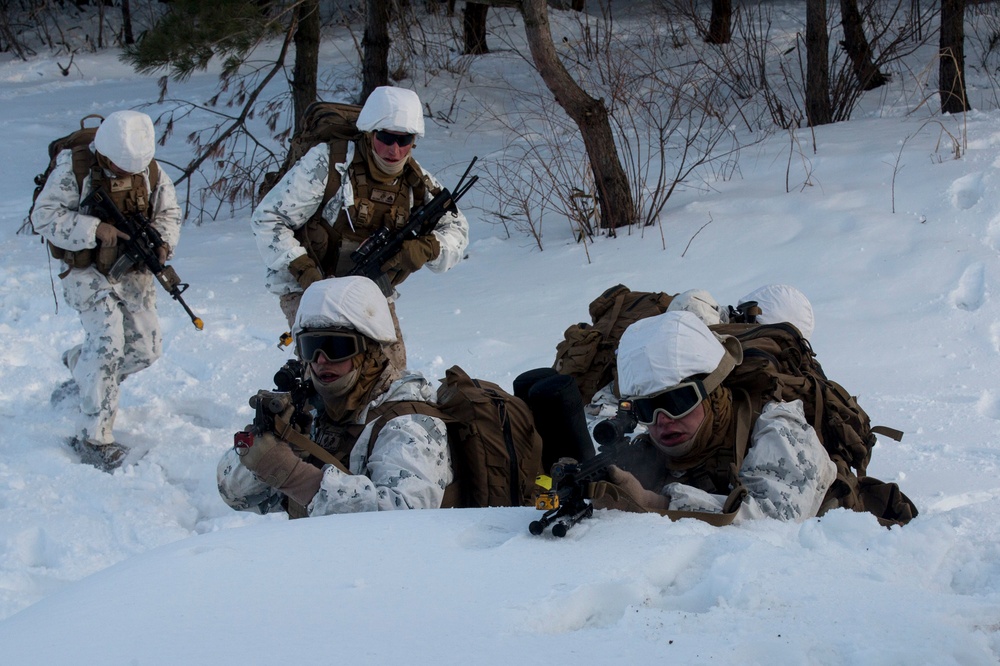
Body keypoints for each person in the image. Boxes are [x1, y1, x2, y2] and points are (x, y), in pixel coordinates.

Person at [251, 85, 469, 369]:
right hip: (310, 283)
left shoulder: (415, 180)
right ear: (370, 132)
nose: (395, 149)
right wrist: (305, 271)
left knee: (388, 375)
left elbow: (458, 228)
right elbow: (268, 218)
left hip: (370, 288)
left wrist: (429, 247)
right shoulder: (329, 163)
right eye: (386, 137)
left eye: (404, 140)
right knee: (328, 371)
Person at [217, 276, 453, 518]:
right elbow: (235, 495)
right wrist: (276, 445)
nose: (321, 360)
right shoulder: (316, 409)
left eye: (337, 348)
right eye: (311, 347)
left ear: (369, 351)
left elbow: (403, 517)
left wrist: (292, 474)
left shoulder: (408, 422)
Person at [33, 110, 182, 471]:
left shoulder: (151, 172)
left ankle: (83, 366)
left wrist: (162, 244)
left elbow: (169, 214)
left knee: (147, 349)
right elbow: (44, 217)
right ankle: (95, 438)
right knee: (108, 344)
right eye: (120, 167)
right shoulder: (75, 169)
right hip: (86, 270)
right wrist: (94, 229)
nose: (128, 175)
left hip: (132, 270)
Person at [599, 310, 837, 522]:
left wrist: (655, 504)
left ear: (713, 392)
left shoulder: (778, 426)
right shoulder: (651, 451)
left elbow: (775, 524)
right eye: (646, 409)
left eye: (677, 401)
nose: (663, 420)